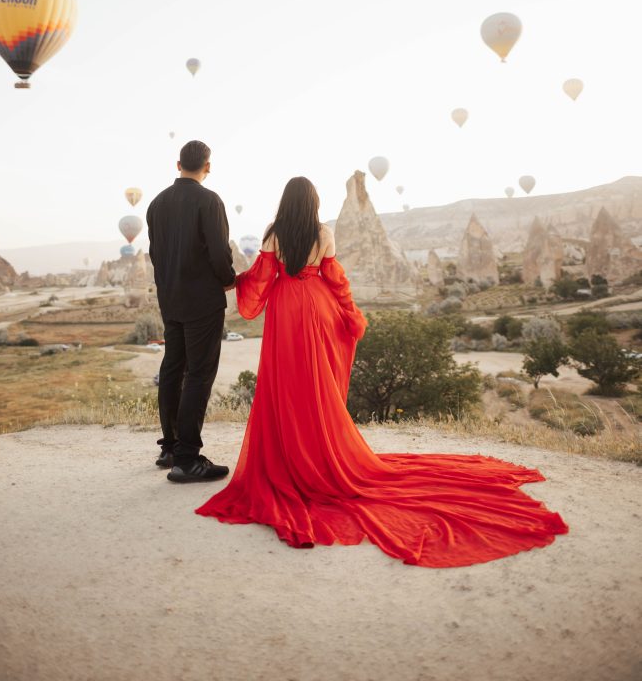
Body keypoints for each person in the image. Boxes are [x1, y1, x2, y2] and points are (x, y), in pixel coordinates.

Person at [194, 176, 569, 567]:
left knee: (285, 382)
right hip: (318, 307)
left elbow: (261, 278)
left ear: (285, 202)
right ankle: (321, 450)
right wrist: (351, 314)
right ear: (314, 202)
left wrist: (234, 282)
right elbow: (335, 279)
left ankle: (293, 453)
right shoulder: (323, 233)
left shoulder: (274, 233)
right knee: (316, 382)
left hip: (287, 310)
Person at [146, 140, 236, 483]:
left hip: (171, 298)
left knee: (172, 368)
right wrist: (227, 279)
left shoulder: (156, 203)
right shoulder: (209, 200)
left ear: (178, 164)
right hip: (202, 299)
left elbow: (156, 254)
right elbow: (218, 250)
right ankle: (187, 459)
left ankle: (169, 448)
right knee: (198, 374)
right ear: (208, 166)